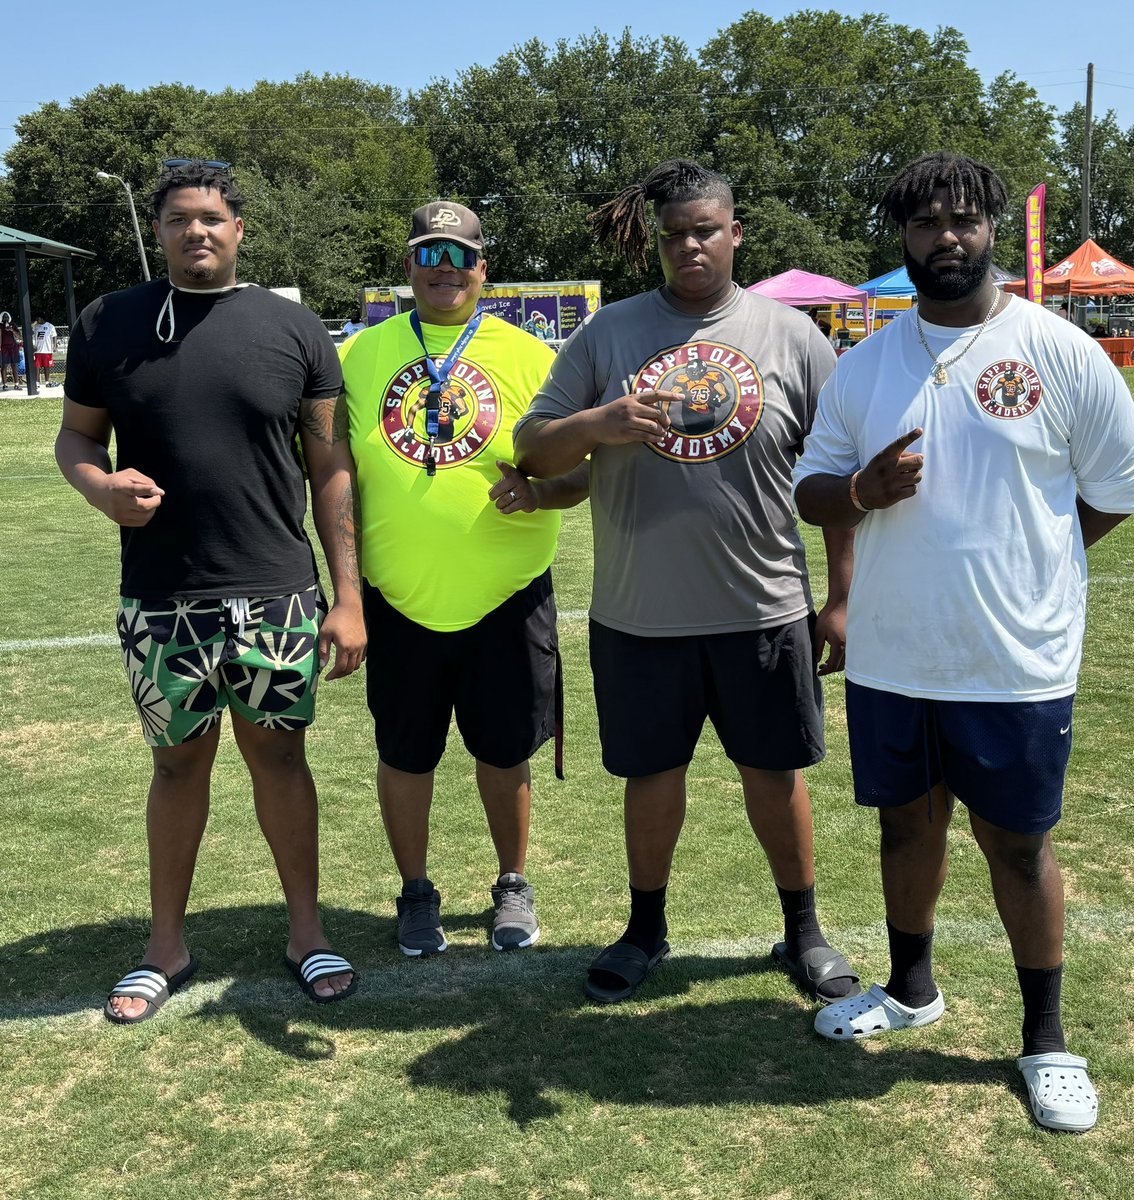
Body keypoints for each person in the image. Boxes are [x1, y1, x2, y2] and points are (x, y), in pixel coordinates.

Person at [792, 152, 1134, 1133]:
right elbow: (812, 488)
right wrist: (861, 492)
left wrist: (1040, 560)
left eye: (963, 222)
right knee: (906, 827)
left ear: (992, 228)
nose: (945, 239)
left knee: (1019, 846)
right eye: (924, 226)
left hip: (1012, 658)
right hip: (894, 654)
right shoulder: (864, 366)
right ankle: (912, 991)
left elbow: (1122, 486)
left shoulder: (1059, 349)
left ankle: (1046, 1041)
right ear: (902, 240)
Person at [514, 158, 858, 1006]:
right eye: (673, 235)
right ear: (656, 244)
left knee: (774, 777)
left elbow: (838, 477)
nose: (689, 247)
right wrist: (596, 423)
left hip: (762, 608)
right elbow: (533, 447)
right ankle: (644, 928)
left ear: (735, 232)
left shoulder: (792, 336)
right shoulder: (608, 335)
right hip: (639, 615)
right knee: (650, 777)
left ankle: (804, 930)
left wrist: (841, 599)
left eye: (704, 230)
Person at [56, 160, 367, 1022]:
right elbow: (77, 439)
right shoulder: (107, 322)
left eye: (212, 218)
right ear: (157, 231)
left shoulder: (294, 329)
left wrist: (348, 595)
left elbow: (331, 465)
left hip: (273, 594)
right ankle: (166, 945)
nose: (197, 231)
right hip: (160, 598)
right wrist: (100, 488)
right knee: (175, 765)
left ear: (239, 231)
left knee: (280, 759)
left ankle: (307, 932)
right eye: (179, 219)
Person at [339, 201, 587, 957]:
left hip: (506, 595)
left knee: (505, 752)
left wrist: (540, 492)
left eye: (459, 256)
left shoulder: (533, 356)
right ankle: (415, 893)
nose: (444, 269)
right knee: (404, 755)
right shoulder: (359, 355)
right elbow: (330, 472)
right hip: (397, 595)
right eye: (428, 254)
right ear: (408, 267)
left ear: (483, 268)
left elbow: (583, 473)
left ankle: (512, 883)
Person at [32, 315, 57, 386]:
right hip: (38, 351)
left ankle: (47, 382)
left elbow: (54, 336)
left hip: (47, 350)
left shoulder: (50, 326)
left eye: (38, 318)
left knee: (47, 366)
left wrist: (54, 346)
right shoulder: (35, 326)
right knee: (37, 367)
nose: (37, 320)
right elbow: (30, 334)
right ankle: (37, 382)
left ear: (42, 318)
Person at [0, 311, 21, 389]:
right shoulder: (0, 326)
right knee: (4, 366)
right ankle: (5, 385)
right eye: (4, 317)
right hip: (4, 348)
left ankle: (16, 384)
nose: (5, 318)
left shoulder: (13, 325)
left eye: (7, 317)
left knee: (14, 365)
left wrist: (12, 330)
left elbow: (19, 336)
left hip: (13, 347)